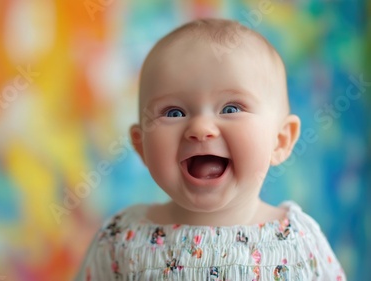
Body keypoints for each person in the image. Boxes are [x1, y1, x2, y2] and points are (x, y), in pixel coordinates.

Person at [75, 18, 346, 280]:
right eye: (173, 112)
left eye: (231, 108)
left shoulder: (298, 240)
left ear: (281, 140)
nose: (201, 128)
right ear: (142, 145)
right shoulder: (120, 239)